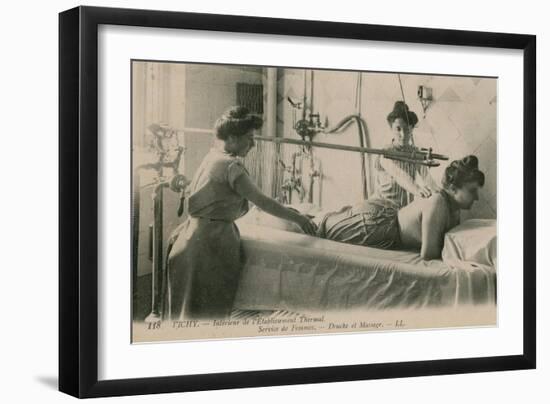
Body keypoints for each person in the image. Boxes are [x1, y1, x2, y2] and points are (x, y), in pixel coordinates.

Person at [163, 106, 317, 321]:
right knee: (208, 313)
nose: (253, 144)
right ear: (233, 138)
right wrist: (298, 218)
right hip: (210, 244)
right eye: (249, 138)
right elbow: (263, 202)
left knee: (187, 312)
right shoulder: (230, 166)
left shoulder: (212, 157)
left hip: (191, 239)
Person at [317, 155, 485, 260]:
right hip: (377, 225)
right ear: (454, 189)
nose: (476, 197)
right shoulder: (438, 202)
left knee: (326, 223)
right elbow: (428, 254)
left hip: (386, 220)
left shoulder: (455, 209)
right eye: (472, 191)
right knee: (321, 227)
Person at [373, 101, 438, 208]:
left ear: (412, 129)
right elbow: (399, 175)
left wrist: (439, 192)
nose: (403, 135)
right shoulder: (385, 153)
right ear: (391, 128)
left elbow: (426, 177)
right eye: (398, 129)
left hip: (403, 210)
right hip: (382, 208)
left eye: (407, 129)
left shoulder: (414, 152)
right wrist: (417, 189)